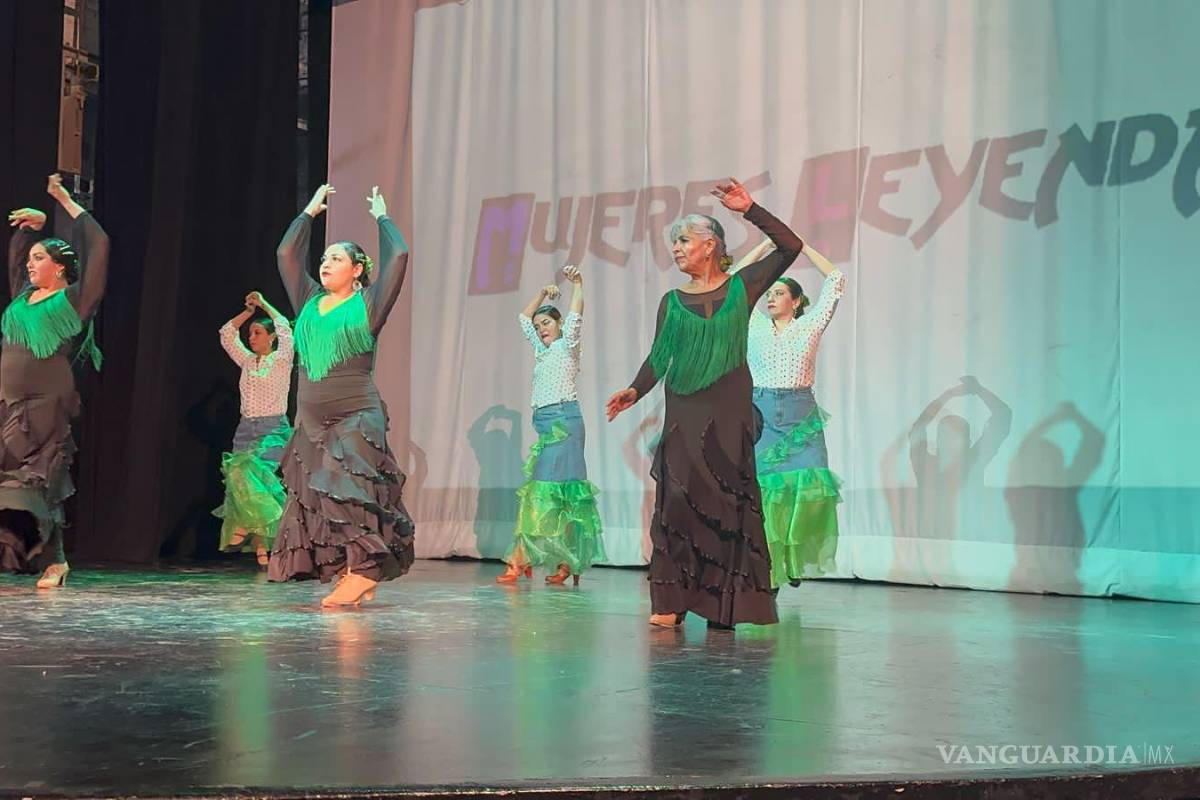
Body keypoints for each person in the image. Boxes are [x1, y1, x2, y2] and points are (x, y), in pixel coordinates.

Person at [606, 178, 803, 629]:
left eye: (683, 240)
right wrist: (635, 390)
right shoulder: (671, 302)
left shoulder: (744, 288)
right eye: (674, 242)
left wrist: (749, 208)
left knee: (729, 505)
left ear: (710, 246)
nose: (675, 249)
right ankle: (672, 602)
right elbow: (659, 358)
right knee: (678, 505)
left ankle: (724, 606)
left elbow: (790, 246)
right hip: (685, 415)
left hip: (729, 416)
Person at [267, 183, 414, 608]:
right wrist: (308, 213)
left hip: (355, 413)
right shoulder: (309, 300)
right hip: (310, 419)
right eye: (325, 256)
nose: (326, 262)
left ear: (357, 270)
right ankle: (350, 569)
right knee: (322, 497)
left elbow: (399, 258)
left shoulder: (369, 303)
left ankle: (365, 571)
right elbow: (286, 256)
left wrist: (383, 219)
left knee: (351, 490)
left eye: (337, 258)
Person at [0, 174, 109, 588]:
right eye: (31, 259)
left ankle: (56, 561)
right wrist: (34, 229)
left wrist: (64, 200)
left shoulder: (74, 300)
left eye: (40, 258)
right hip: (8, 401)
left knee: (41, 482)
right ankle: (44, 556)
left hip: (48, 403)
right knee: (12, 482)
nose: (30, 263)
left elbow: (99, 247)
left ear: (61, 267)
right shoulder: (20, 299)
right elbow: (15, 262)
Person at [736, 237, 846, 588]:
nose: (770, 297)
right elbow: (735, 283)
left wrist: (804, 247)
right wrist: (763, 250)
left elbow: (836, 279)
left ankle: (795, 558)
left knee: (809, 484)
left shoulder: (810, 325)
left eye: (779, 292)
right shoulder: (754, 326)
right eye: (768, 293)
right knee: (767, 491)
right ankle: (769, 566)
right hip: (762, 411)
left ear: (796, 302)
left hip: (800, 411)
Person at [498, 265, 605, 586]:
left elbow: (575, 318)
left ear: (559, 325)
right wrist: (543, 293)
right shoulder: (541, 351)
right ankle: (560, 563)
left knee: (550, 492)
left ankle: (524, 560)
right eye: (539, 325)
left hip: (564, 423)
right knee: (552, 493)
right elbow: (522, 318)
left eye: (547, 323)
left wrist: (578, 285)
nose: (541, 328)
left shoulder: (567, 346)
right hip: (546, 424)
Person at [213, 291, 294, 567]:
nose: (252, 337)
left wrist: (264, 305)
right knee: (245, 485)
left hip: (273, 428)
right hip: (246, 429)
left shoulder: (281, 360)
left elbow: (283, 324)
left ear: (270, 338)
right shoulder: (247, 361)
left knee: (253, 477)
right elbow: (226, 333)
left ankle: (248, 530)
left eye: (258, 332)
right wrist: (248, 312)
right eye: (250, 334)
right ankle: (262, 549)